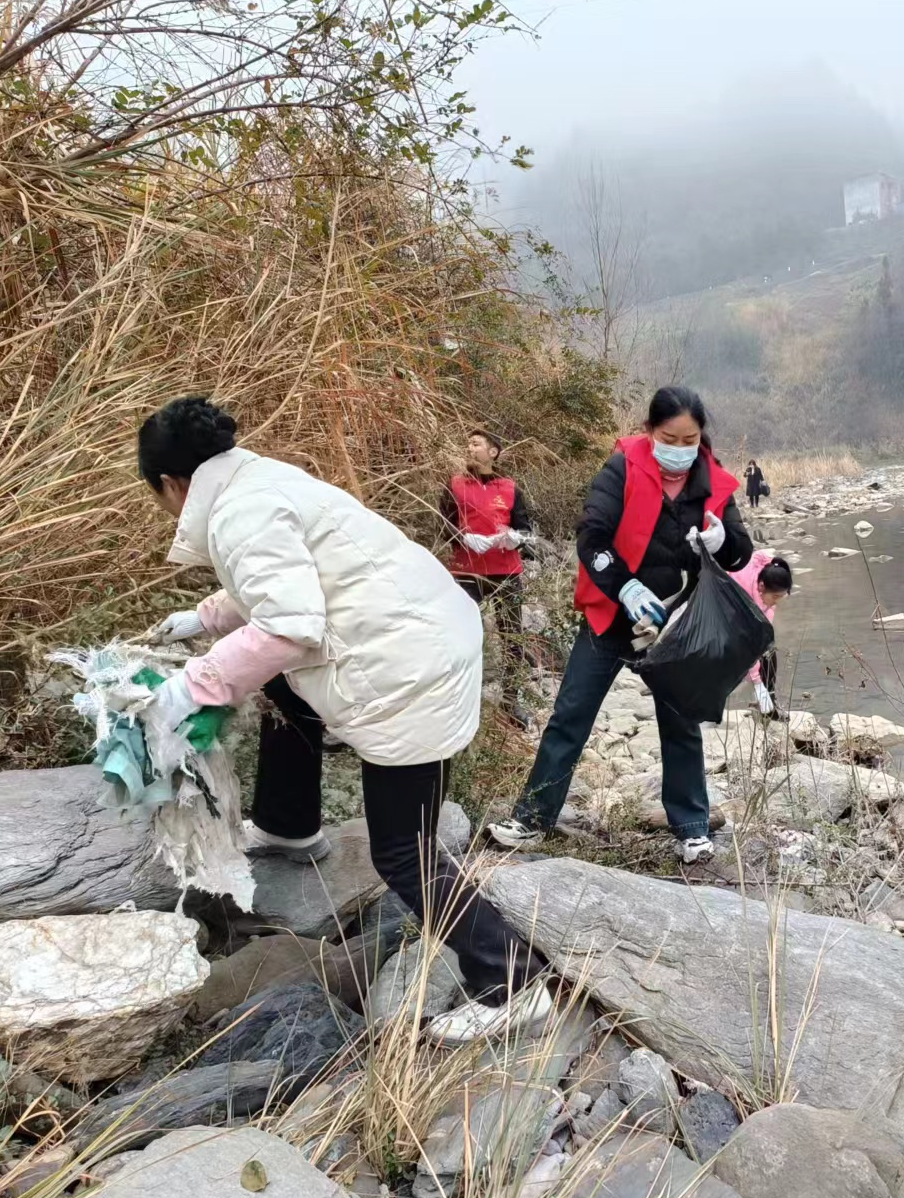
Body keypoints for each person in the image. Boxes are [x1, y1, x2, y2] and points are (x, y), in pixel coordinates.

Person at [137, 395, 547, 1044]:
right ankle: (287, 824)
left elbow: (289, 625)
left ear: (170, 484)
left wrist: (194, 687)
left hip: (407, 667)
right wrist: (206, 619)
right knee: (286, 687)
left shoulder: (241, 510)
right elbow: (279, 584)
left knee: (400, 852)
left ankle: (512, 975)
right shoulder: (258, 480)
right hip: (424, 633)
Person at [487, 386, 754, 864]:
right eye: (669, 437)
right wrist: (626, 587)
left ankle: (692, 827)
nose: (680, 447)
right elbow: (592, 535)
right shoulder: (623, 468)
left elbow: (740, 551)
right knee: (571, 713)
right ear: (651, 432)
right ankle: (532, 818)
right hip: (613, 616)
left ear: (701, 437)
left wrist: (721, 541)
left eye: (690, 437)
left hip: (676, 625)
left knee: (681, 723)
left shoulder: (715, 483)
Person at [441, 430, 532, 717]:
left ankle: (510, 700)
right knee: (463, 635)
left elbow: (526, 528)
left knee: (512, 637)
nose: (469, 447)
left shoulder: (510, 488)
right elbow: (443, 523)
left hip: (505, 571)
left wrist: (514, 538)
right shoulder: (455, 484)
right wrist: (463, 538)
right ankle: (463, 698)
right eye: (467, 442)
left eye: (476, 443)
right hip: (466, 571)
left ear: (493, 452)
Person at [729, 550, 794, 715]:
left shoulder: (767, 576)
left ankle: (771, 702)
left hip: (743, 612)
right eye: (775, 597)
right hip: (722, 614)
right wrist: (757, 683)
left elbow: (762, 637)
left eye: (782, 597)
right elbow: (749, 647)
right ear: (761, 587)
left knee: (769, 649)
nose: (776, 603)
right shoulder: (745, 599)